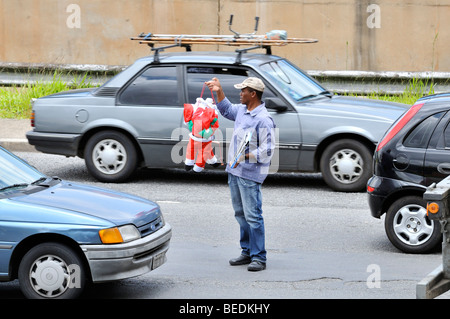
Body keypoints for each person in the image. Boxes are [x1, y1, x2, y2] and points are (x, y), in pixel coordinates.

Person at [206, 77, 276, 271]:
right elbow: (226, 109)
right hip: (234, 172)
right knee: (240, 214)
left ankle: (259, 257)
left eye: (243, 91)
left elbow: (268, 150)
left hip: (249, 175)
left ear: (252, 94)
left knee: (253, 216)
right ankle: (246, 251)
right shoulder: (242, 111)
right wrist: (218, 90)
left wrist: (245, 156)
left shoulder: (263, 119)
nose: (240, 94)